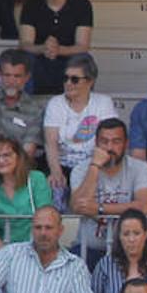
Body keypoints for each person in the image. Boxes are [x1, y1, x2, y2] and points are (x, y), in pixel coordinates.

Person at [68, 118, 147, 269]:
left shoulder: (139, 168)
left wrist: (99, 209)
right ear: (96, 143)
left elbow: (145, 207)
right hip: (88, 248)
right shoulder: (81, 169)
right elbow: (77, 205)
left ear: (126, 144)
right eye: (104, 141)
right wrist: (95, 166)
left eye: (116, 142)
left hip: (128, 250)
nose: (110, 147)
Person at [17, 0, 91, 96]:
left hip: (68, 60)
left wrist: (59, 50)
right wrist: (44, 48)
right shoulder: (31, 5)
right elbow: (25, 43)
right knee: (24, 59)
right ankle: (27, 108)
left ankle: (78, 107)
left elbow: (83, 45)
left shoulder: (82, 5)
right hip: (39, 60)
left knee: (84, 61)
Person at [42, 53, 113, 207]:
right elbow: (50, 143)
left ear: (90, 81)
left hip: (93, 166)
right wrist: (56, 171)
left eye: (75, 79)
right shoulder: (55, 103)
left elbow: (109, 139)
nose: (68, 83)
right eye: (65, 78)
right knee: (54, 188)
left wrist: (94, 168)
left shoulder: (103, 102)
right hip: (62, 165)